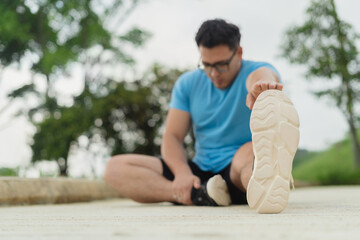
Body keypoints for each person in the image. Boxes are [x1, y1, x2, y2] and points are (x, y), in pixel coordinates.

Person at [104, 18, 299, 213]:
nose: (214, 73)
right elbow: (172, 137)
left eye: (222, 65)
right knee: (115, 168)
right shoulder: (187, 84)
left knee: (250, 154)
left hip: (237, 169)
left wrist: (262, 89)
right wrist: (182, 174)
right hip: (199, 174)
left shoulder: (255, 71)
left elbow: (263, 75)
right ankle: (198, 195)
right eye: (206, 65)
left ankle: (266, 186)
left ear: (239, 53)